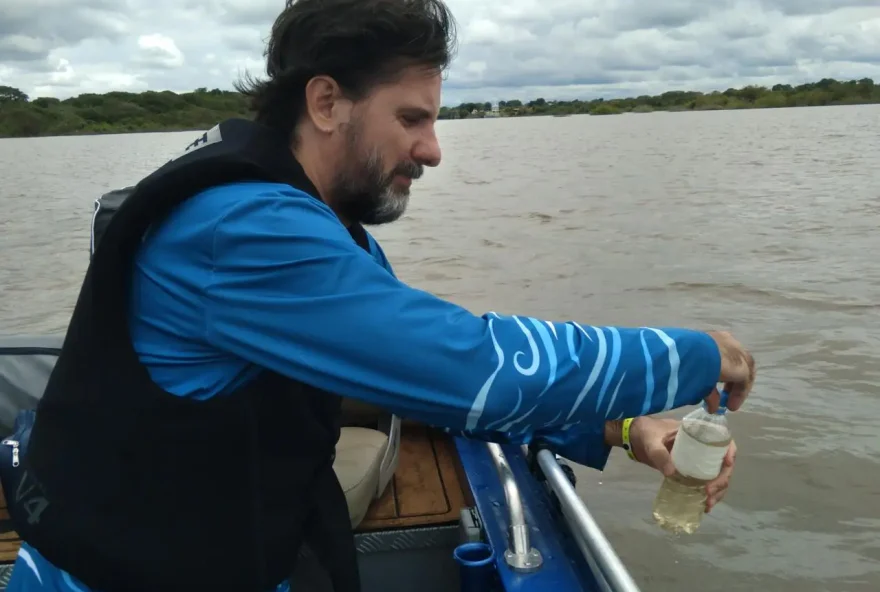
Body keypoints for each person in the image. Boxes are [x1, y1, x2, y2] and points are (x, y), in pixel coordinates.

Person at [5, 0, 755, 591]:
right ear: (327, 102)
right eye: (412, 118)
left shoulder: (314, 219)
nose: (432, 148)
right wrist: (694, 355)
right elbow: (473, 366)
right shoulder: (242, 227)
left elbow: (415, 375)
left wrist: (621, 431)